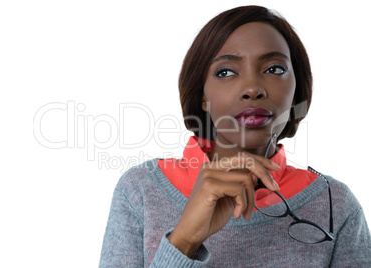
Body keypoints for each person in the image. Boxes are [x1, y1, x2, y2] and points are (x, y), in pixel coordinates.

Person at [99, 5, 371, 267]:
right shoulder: (140, 191)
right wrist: (184, 240)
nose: (252, 89)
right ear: (203, 96)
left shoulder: (336, 204)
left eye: (274, 69)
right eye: (226, 72)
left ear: (297, 90)